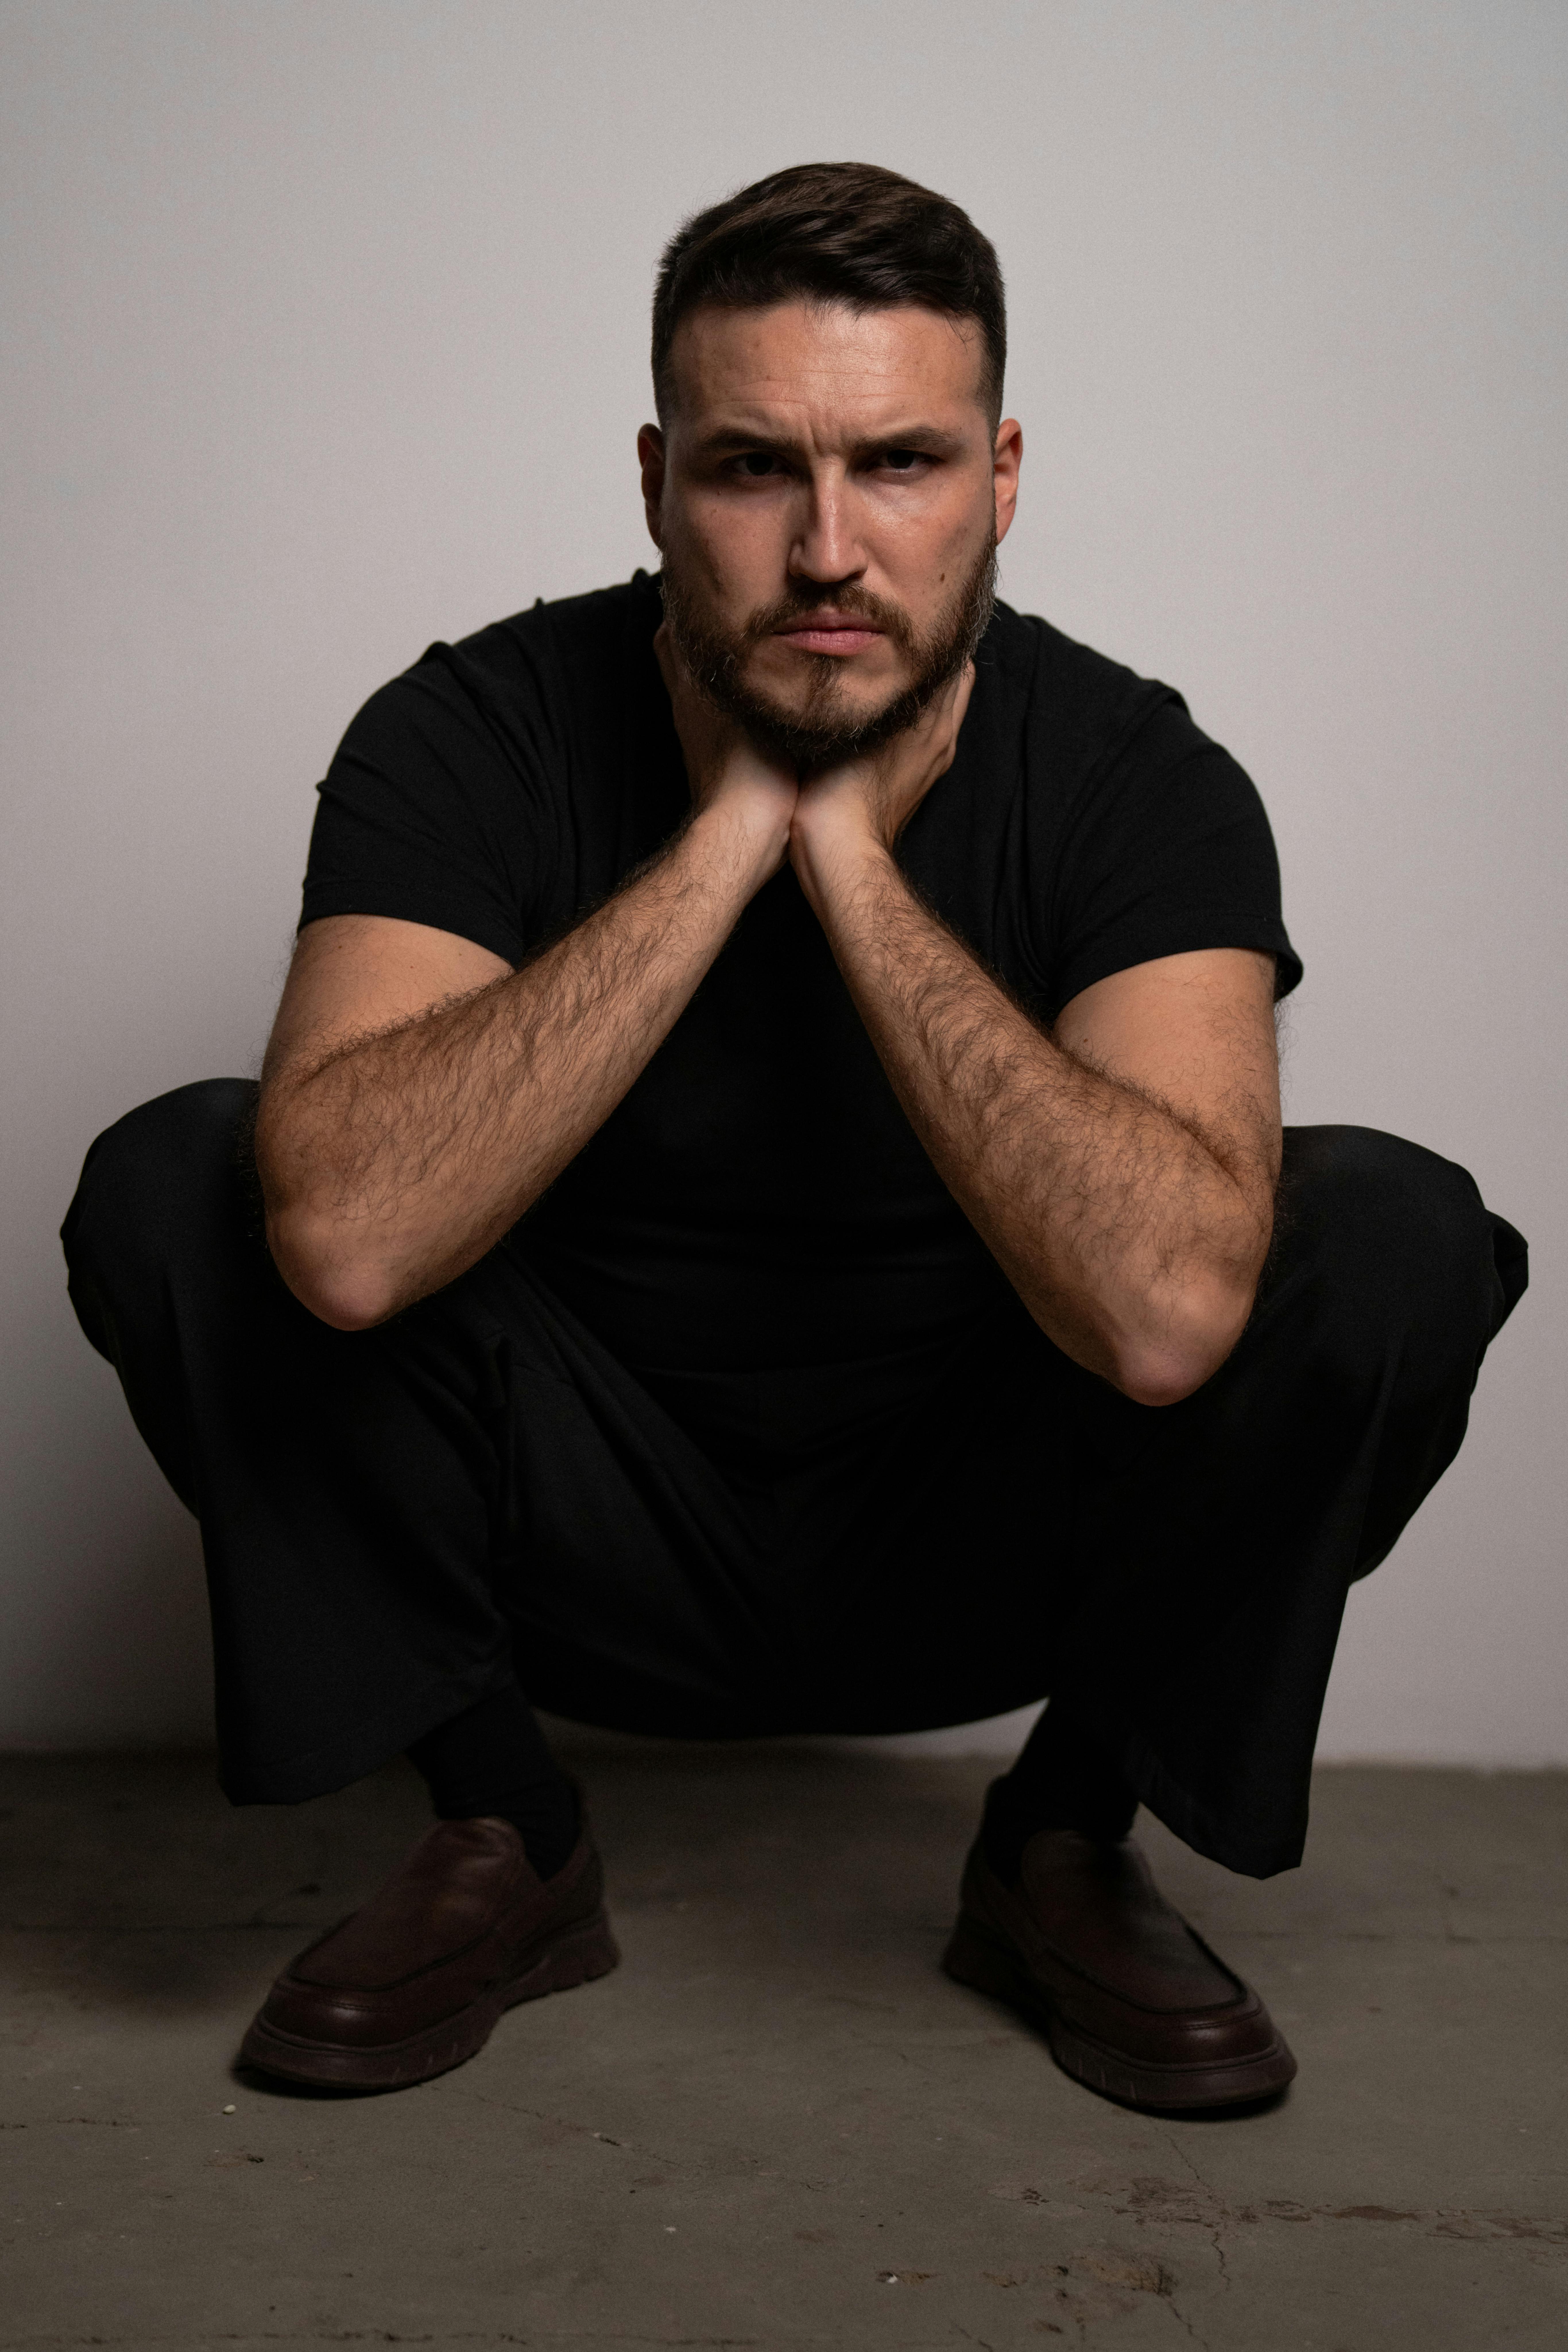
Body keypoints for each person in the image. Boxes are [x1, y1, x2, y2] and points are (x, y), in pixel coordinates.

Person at [62, 162, 1526, 2113]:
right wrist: (743, 822)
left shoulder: (1135, 775)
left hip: (979, 1536)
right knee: (187, 1175)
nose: (829, 550)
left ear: (1001, 475)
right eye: (756, 469)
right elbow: (341, 1243)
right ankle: (505, 1830)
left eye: (899, 464)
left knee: (1391, 1231)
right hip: (576, 1536)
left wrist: (850, 863)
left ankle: (1063, 1838)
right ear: (656, 478)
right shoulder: (472, 729)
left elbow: (1169, 1317)